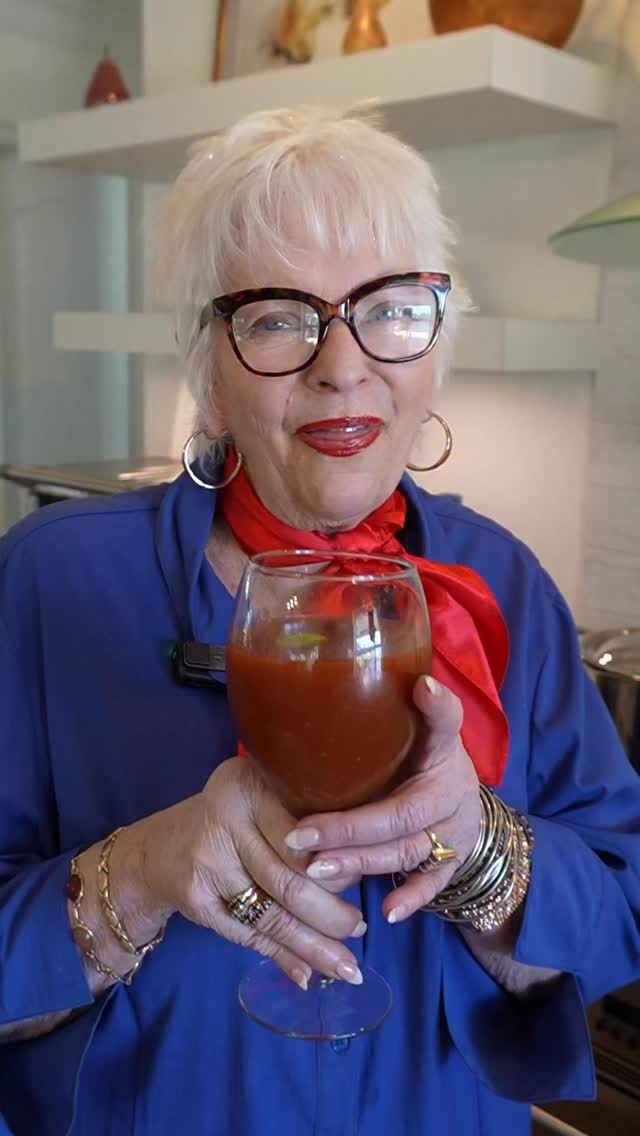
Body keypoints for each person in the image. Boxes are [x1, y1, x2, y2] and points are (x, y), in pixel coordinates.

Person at [0, 105, 638, 1136]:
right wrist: (151, 869)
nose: (341, 364)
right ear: (208, 363)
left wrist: (477, 847)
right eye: (278, 315)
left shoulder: (498, 584)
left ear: (434, 345)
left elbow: (618, 919)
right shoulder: (48, 581)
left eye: (388, 307)